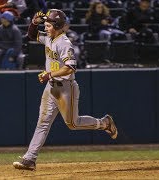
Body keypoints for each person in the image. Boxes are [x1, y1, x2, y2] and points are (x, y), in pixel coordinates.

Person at [12, 9, 118, 171]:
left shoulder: (64, 43)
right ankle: (30, 159)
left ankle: (104, 123)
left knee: (73, 123)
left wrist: (49, 74)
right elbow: (32, 36)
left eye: (48, 24)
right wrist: (33, 23)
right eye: (45, 24)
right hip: (51, 87)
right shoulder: (49, 38)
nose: (45, 27)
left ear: (58, 25)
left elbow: (71, 68)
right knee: (43, 123)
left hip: (66, 88)